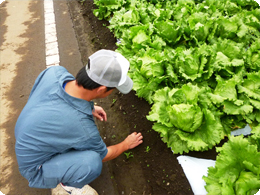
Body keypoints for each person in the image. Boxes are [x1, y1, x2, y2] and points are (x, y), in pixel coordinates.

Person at [15, 49, 143, 194]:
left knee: (69, 135)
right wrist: (126, 144)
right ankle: (67, 185)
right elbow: (104, 154)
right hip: (35, 168)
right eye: (113, 89)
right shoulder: (82, 127)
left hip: (25, 135)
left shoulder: (55, 73)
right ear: (101, 90)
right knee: (92, 163)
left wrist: (90, 106)